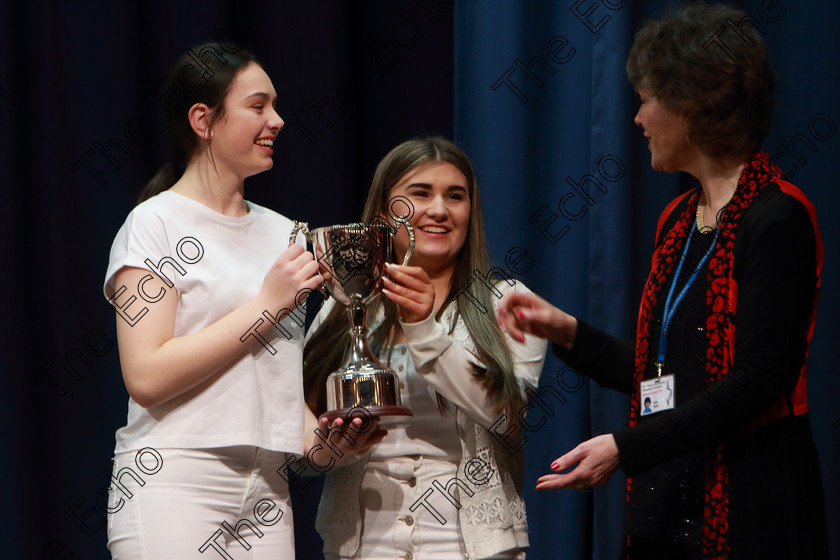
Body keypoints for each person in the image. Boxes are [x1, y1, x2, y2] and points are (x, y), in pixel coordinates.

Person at [498, 3, 828, 559]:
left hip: (750, 500)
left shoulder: (778, 218)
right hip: (670, 497)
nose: (639, 118)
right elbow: (666, 379)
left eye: (648, 99)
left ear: (691, 105)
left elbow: (754, 382)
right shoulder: (678, 221)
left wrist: (624, 448)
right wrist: (566, 331)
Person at [102, 43, 356, 559]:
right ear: (203, 120)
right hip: (174, 480)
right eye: (258, 106)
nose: (278, 120)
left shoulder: (285, 233)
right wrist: (267, 304)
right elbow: (146, 376)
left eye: (275, 106)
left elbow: (270, 383)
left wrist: (327, 443)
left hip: (266, 489)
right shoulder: (154, 223)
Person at [303, 137, 547, 560]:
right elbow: (301, 442)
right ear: (383, 212)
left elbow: (506, 417)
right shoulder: (341, 309)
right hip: (363, 547)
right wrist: (330, 451)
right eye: (420, 193)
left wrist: (424, 327)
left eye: (456, 196)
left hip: (470, 547)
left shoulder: (509, 303)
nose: (439, 209)